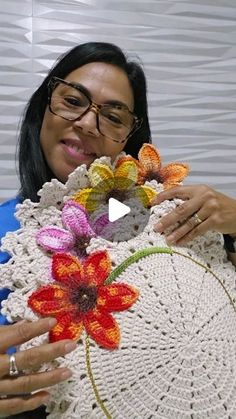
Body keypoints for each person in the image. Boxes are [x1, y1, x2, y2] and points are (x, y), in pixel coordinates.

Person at [0, 41, 235, 418]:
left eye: (113, 116)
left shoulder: (163, 220)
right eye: (73, 101)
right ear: (42, 106)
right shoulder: (7, 235)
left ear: (128, 137)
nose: (89, 124)